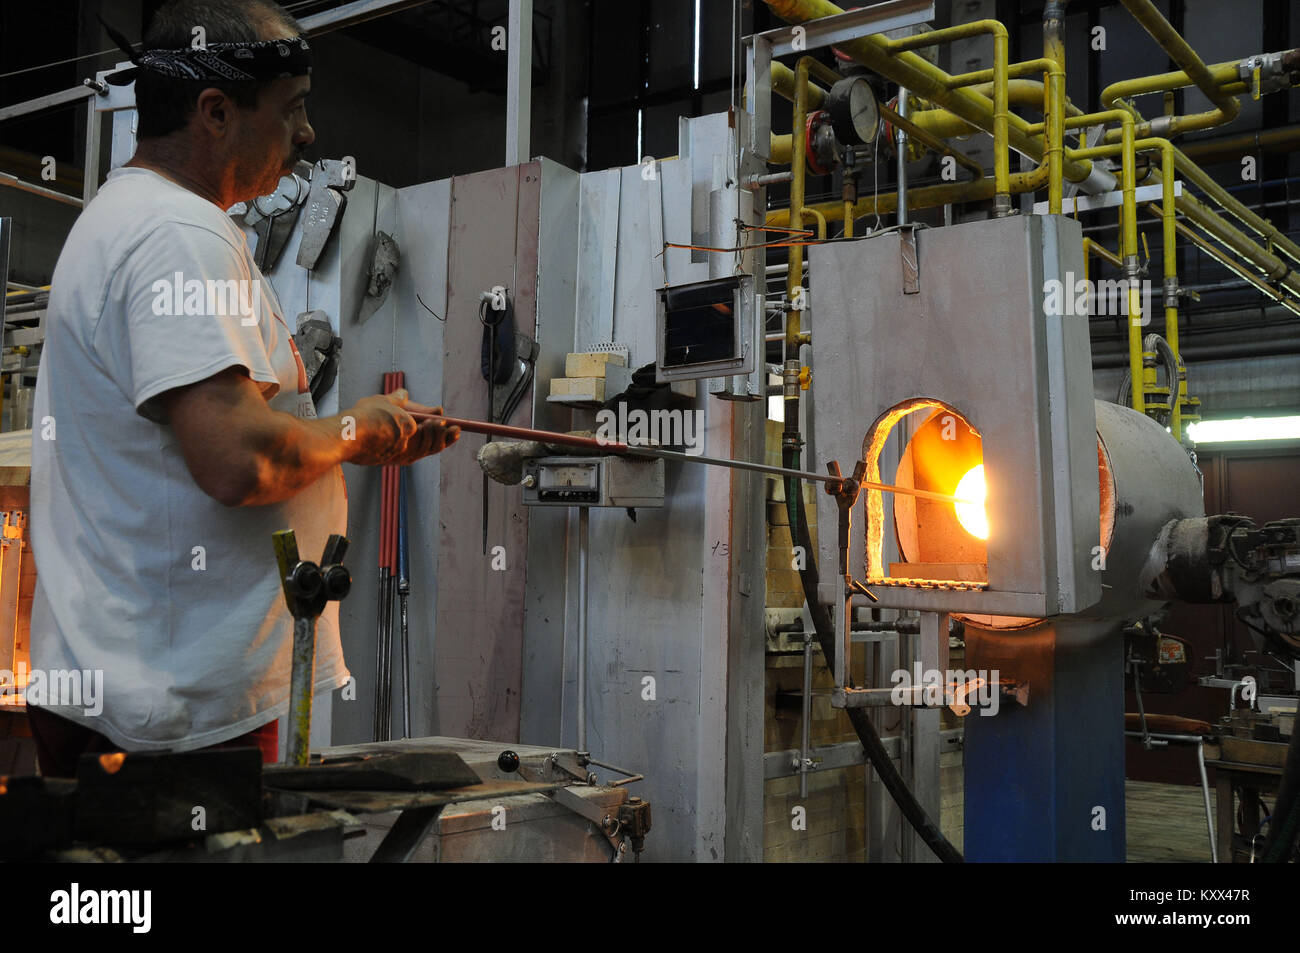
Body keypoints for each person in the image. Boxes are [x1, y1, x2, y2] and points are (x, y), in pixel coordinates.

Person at [26, 0, 458, 777]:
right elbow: (238, 459)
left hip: (136, 690)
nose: (308, 135)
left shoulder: (126, 219)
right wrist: (360, 431)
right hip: (177, 715)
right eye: (292, 110)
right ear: (216, 112)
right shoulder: (179, 236)